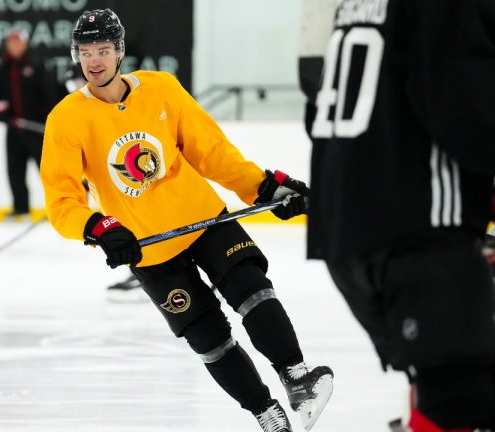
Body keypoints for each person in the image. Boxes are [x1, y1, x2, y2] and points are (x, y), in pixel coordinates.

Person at [41, 9, 334, 431]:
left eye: (103, 50)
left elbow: (212, 153)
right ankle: (266, 414)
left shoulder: (162, 89)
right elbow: (62, 202)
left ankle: (297, 377)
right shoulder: (66, 118)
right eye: (86, 52)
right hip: (148, 250)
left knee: (253, 289)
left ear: (120, 51)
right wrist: (99, 228)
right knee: (208, 338)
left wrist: (264, 187)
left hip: (205, 221)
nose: (95, 61)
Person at [306, 0, 495, 430]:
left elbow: (315, 111)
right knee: (458, 400)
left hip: (349, 232)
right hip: (421, 236)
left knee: (450, 381)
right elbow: (472, 116)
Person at [0, 29, 58, 220]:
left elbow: (50, 95)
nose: (13, 46)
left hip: (36, 130)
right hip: (14, 129)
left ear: (25, 43)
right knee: (15, 170)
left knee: (47, 173)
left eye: (17, 42)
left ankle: (57, 209)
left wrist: (48, 120)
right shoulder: (3, 68)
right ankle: (20, 208)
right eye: (10, 42)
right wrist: (1, 110)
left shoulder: (37, 65)